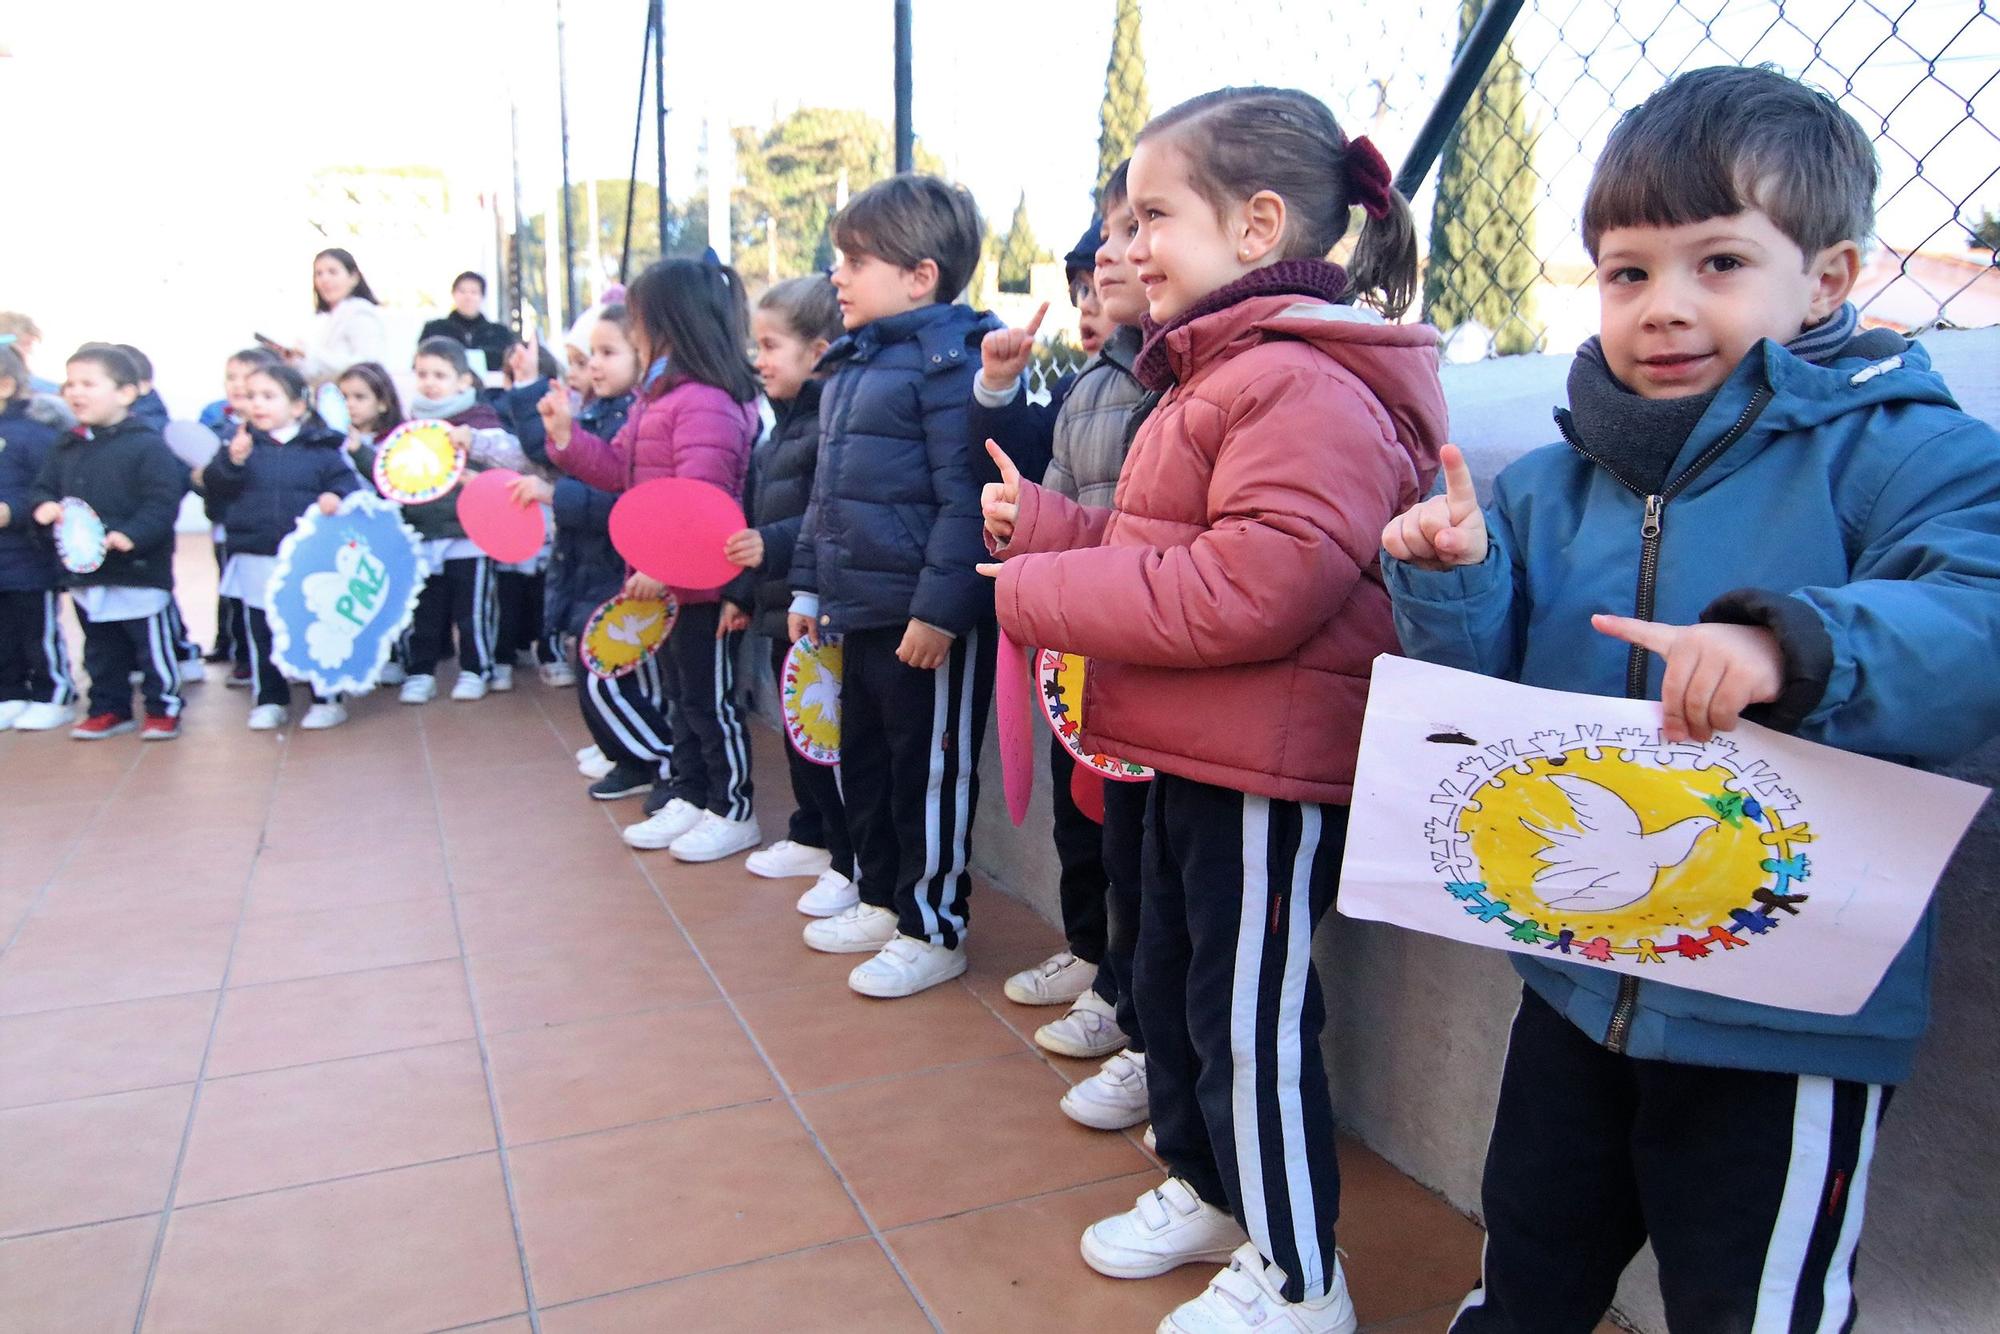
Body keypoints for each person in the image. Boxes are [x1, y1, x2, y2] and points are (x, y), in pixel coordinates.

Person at [1379, 67, 2000, 1334]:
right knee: (1531, 1247)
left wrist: (1797, 646)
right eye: (1625, 271)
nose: (1662, 307)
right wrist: (1454, 579)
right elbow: (1487, 682)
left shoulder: (1903, 452)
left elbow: (1978, 609)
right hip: (1569, 975)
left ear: (1825, 279)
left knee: (1749, 1299)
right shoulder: (1549, 483)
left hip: (1782, 1017)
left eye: (1717, 262)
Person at [983, 86, 1441, 1331]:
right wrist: (1056, 529)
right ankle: (1206, 1182)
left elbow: (1253, 588)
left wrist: (1038, 585)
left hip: (1262, 763)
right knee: (1182, 983)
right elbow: (1168, 544)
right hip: (1193, 742)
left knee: (1248, 1015)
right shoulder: (1215, 371)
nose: (1122, 248)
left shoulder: (1297, 380)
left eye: (1149, 218)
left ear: (1255, 226)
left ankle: (1299, 1269)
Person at [784, 174, 1002, 999]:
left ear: (920, 275)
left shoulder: (954, 366)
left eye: (855, 259)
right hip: (858, 608)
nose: (836, 275)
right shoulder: (852, 363)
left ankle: (934, 925)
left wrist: (940, 610)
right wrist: (808, 589)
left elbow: (965, 497)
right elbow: (825, 496)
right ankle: (881, 896)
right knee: (869, 760)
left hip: (922, 618)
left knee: (931, 771)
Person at [542, 257, 762, 862]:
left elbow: (703, 503)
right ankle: (691, 794)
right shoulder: (658, 398)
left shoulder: (705, 402)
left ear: (666, 321)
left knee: (710, 700)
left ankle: (731, 807)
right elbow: (618, 471)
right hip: (666, 585)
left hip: (705, 586)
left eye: (637, 317)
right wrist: (565, 438)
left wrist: (664, 563)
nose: (630, 328)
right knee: (682, 697)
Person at [721, 275, 854, 913]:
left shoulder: (829, 421)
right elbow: (767, 504)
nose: (760, 359)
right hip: (782, 609)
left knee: (832, 740)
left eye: (772, 345)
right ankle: (812, 832)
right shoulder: (780, 426)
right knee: (800, 734)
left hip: (821, 609)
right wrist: (744, 591)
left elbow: (819, 512)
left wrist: (770, 545)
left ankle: (845, 848)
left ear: (819, 351)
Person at [509, 305, 654, 792]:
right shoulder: (597, 410)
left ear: (644, 353)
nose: (594, 364)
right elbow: (544, 448)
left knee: (613, 673)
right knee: (593, 669)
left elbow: (621, 501)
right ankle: (627, 751)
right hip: (586, 565)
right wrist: (539, 401)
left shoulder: (634, 416)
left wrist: (556, 496)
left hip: (617, 570)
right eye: (590, 353)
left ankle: (650, 757)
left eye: (608, 352)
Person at [29, 344, 193, 740]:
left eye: (89, 383)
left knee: (149, 646)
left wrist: (132, 535)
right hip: (86, 569)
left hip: (136, 569)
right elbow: (44, 488)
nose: (75, 392)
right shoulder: (67, 445)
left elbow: (162, 501)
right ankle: (109, 707)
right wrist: (44, 508)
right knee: (101, 648)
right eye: (70, 384)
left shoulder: (146, 444)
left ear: (125, 392)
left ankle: (163, 707)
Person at [352, 338, 520, 703]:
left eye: (440, 374)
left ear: (464, 381)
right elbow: (390, 477)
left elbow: (505, 465)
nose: (429, 381)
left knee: (472, 609)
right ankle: (420, 671)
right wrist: (359, 453)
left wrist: (473, 448)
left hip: (468, 534)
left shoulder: (480, 422)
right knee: (423, 610)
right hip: (422, 534)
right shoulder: (410, 428)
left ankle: (477, 669)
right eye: (423, 373)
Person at [196, 364, 360, 731]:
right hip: (255, 553)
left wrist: (336, 496)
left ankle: (327, 697)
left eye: (269, 396)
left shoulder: (321, 449)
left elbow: (349, 486)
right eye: (251, 396)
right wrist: (231, 463)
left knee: (315, 626)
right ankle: (270, 698)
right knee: (262, 631)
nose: (258, 404)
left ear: (298, 406)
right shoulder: (240, 447)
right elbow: (214, 490)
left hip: (308, 557)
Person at [0, 344, 76, 732]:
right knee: (4, 634)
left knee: (37, 631)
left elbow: (50, 488)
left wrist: (13, 510)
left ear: (5, 385)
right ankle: (10, 693)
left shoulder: (32, 435)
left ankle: (54, 693)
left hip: (28, 557)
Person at [197, 347, 281, 674]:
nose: (236, 385)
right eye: (230, 377)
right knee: (232, 589)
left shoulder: (274, 433)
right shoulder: (218, 424)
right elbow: (205, 474)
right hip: (226, 522)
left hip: (263, 528)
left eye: (246, 380)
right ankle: (236, 649)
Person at [290, 248, 389, 388]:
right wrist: (296, 359)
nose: (324, 279)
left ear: (353, 277)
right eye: (319, 274)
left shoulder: (360, 313)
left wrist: (311, 353)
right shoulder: (322, 320)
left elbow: (368, 364)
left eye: (332, 272)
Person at [420, 271, 514, 377]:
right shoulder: (435, 329)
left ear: (482, 296)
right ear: (453, 294)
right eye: (462, 291)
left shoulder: (499, 332)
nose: (468, 297)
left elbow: (510, 365)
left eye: (474, 292)